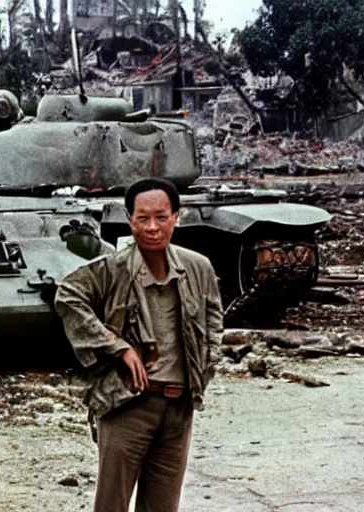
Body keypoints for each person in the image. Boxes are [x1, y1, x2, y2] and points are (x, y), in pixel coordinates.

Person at [55, 177, 224, 512]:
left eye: (161, 217)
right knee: (112, 505)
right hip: (128, 406)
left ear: (177, 216)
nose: (152, 227)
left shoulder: (197, 268)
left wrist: (204, 371)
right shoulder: (111, 269)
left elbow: (213, 322)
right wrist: (116, 347)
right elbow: (67, 296)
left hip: (178, 408)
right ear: (130, 219)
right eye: (142, 218)